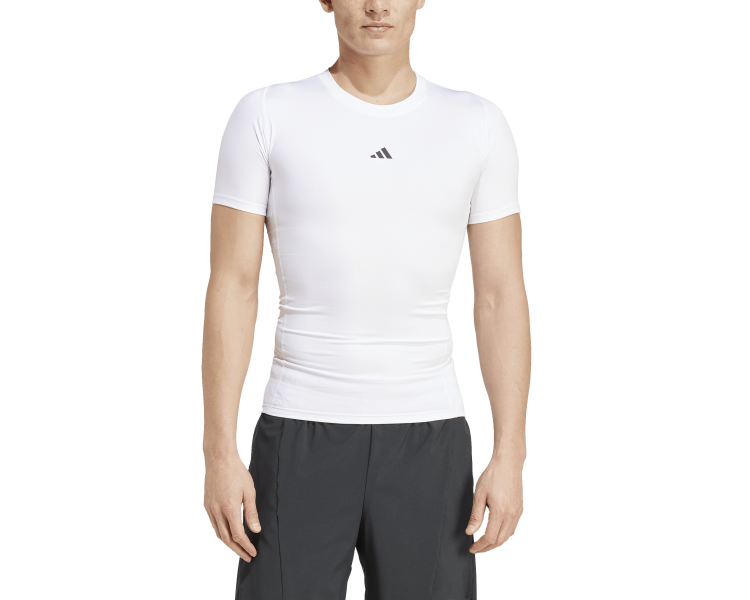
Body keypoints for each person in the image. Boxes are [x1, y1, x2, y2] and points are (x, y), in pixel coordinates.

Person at [201, 0, 531, 597]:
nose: (377, 5)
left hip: (429, 433)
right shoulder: (267, 113)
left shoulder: (476, 122)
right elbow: (232, 284)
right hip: (300, 425)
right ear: (326, 0)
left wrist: (511, 454)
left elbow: (501, 293)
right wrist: (218, 452)